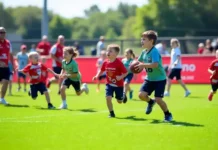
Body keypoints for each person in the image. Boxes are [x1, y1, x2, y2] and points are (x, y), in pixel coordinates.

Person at [136, 30, 172, 122]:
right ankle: (151, 102)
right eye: (141, 39)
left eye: (144, 39)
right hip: (149, 79)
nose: (142, 41)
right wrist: (133, 66)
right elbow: (139, 61)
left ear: (151, 41)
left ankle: (167, 114)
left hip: (160, 79)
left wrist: (142, 65)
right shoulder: (144, 52)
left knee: (159, 99)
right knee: (141, 95)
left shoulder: (154, 51)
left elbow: (155, 64)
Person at [93, 44, 128, 118]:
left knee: (119, 101)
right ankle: (111, 113)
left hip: (118, 85)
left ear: (116, 54)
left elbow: (126, 72)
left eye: (110, 51)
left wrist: (121, 76)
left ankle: (123, 95)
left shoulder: (119, 63)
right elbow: (101, 70)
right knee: (108, 97)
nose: (108, 52)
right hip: (109, 84)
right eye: (107, 51)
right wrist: (97, 76)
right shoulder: (105, 62)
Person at [0, 27, 15, 105]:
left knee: (6, 81)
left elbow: (11, 54)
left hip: (5, 67)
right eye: (0, 32)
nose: (2, 34)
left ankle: (2, 99)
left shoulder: (8, 43)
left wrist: (13, 65)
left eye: (3, 32)